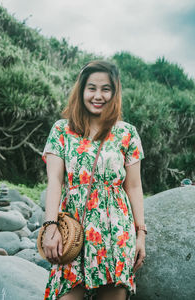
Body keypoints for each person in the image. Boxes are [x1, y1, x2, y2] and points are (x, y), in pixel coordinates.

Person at [42, 60, 146, 300]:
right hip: (73, 232)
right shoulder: (61, 130)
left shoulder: (127, 133)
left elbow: (133, 186)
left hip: (116, 233)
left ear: (115, 92)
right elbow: (55, 181)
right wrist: (50, 227)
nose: (98, 95)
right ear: (81, 91)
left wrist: (140, 235)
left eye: (106, 89)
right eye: (92, 88)